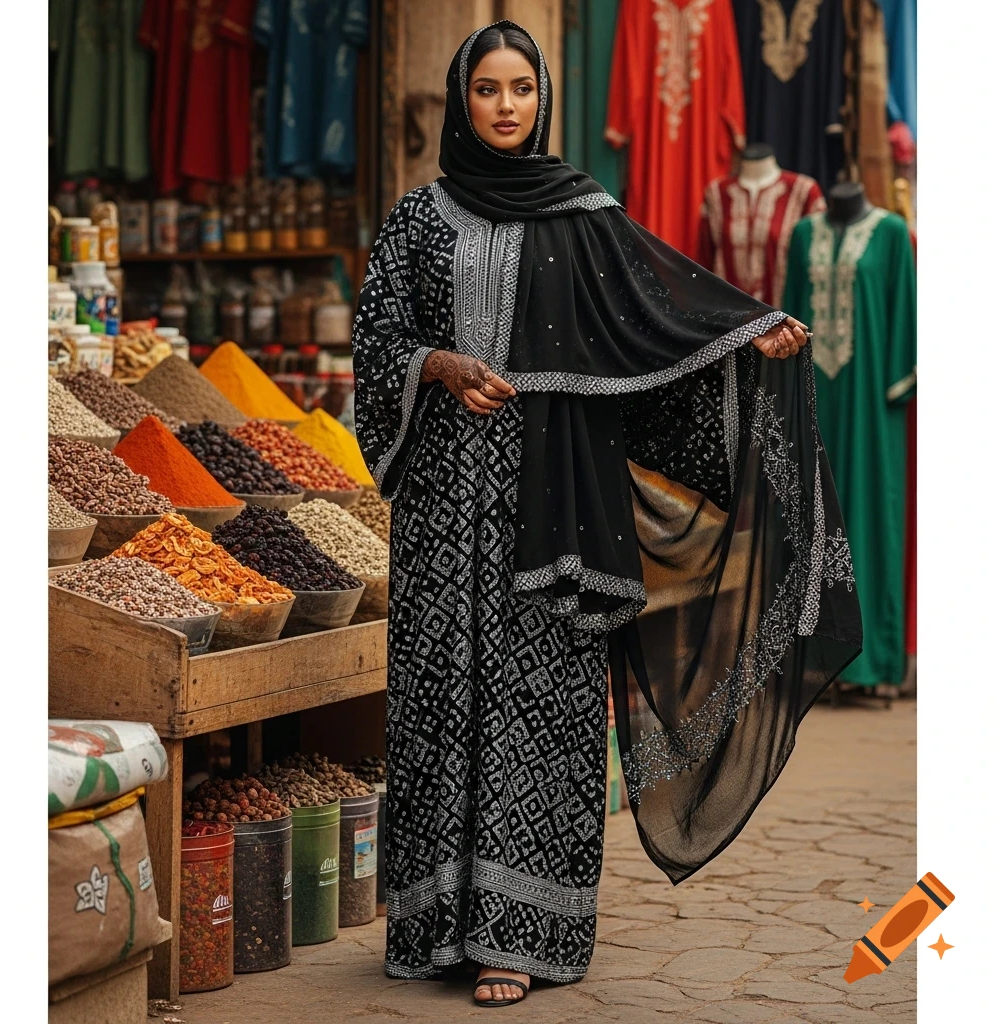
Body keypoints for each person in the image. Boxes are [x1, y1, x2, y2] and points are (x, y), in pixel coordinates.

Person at [351, 21, 861, 1009]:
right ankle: (434, 925)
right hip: (443, 517)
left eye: (522, 89)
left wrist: (744, 334)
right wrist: (436, 366)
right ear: (463, 100)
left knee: (537, 707)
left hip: (554, 516)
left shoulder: (580, 215)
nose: (506, 106)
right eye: (488, 89)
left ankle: (520, 933)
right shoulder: (416, 218)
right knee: (442, 700)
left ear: (543, 99)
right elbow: (378, 344)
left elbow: (654, 315)